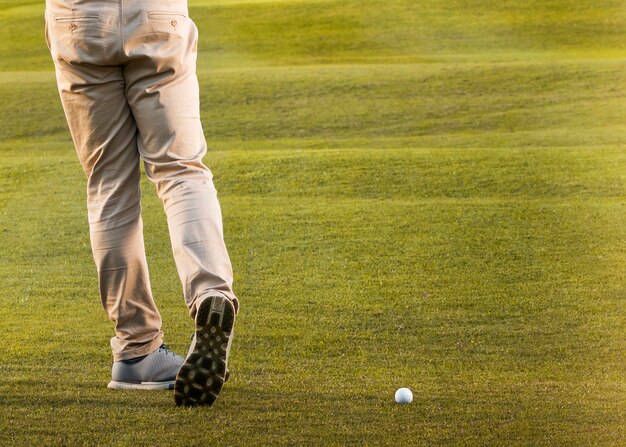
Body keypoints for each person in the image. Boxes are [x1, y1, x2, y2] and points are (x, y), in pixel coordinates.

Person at [44, 0, 239, 406]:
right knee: (181, 170)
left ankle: (137, 350)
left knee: (110, 184)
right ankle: (209, 294)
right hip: (155, 13)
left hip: (78, 20)